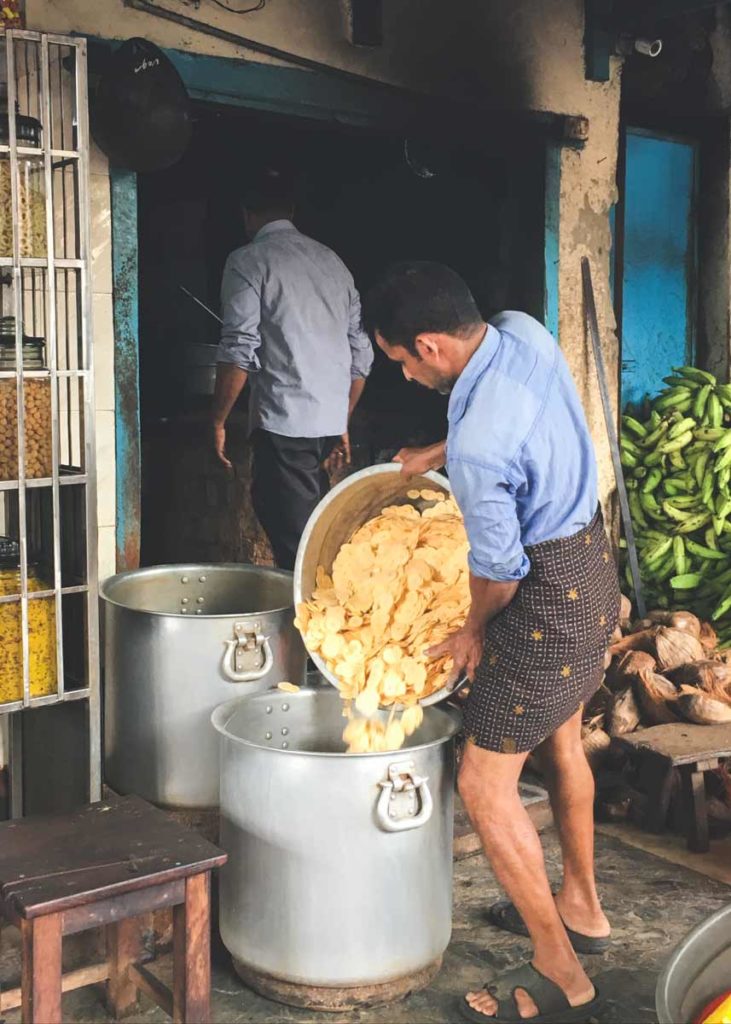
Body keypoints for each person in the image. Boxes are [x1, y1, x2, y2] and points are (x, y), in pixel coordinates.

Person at [363, 262, 619, 1024]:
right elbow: (514, 423)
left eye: (403, 361)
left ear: (431, 345)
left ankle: (559, 970)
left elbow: (498, 573)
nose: (406, 378)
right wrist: (431, 456)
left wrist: (471, 630)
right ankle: (583, 909)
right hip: (591, 566)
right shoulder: (521, 331)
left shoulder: (476, 447)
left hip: (543, 603)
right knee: (561, 744)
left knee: (482, 784)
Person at [212, 168, 373, 570]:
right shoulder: (331, 261)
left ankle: (310, 627)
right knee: (310, 531)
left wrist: (217, 420)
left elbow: (239, 347)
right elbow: (361, 353)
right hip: (324, 425)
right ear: (292, 210)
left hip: (286, 423)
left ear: (247, 214)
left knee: (299, 548)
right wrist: (342, 418)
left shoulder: (249, 260)